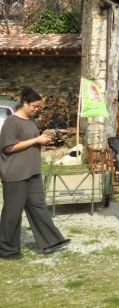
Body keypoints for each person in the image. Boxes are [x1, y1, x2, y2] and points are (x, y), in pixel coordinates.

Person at [0, 87, 70, 259]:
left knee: (39, 207)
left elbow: (31, 143)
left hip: (32, 172)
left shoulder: (31, 122)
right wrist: (36, 140)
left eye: (39, 107)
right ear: (24, 103)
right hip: (15, 173)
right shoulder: (11, 122)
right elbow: (9, 148)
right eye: (35, 106)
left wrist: (44, 141)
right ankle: (7, 250)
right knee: (13, 212)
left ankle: (50, 241)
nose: (37, 109)